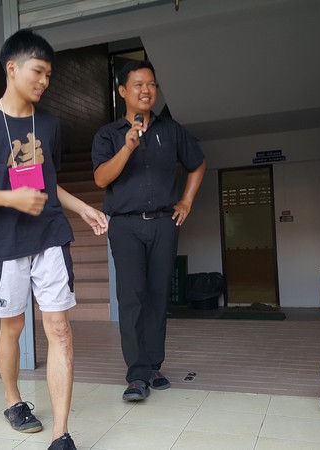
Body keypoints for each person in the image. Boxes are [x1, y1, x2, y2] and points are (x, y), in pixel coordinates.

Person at [0, 29, 108, 450]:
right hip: (4, 243)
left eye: (48, 75)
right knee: (13, 327)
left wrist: (82, 207)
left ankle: (61, 433)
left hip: (50, 236)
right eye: (38, 71)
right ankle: (13, 400)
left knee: (59, 328)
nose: (44, 81)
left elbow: (48, 182)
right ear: (12, 68)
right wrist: (9, 198)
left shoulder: (50, 124)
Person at [91, 60, 206, 401]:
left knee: (158, 296)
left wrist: (186, 201)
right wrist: (127, 146)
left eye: (151, 84)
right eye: (138, 84)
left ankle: (153, 365)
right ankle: (136, 373)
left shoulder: (171, 130)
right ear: (122, 91)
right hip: (125, 226)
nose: (146, 90)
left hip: (163, 223)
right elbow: (101, 178)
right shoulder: (108, 135)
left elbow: (198, 163)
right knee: (131, 297)